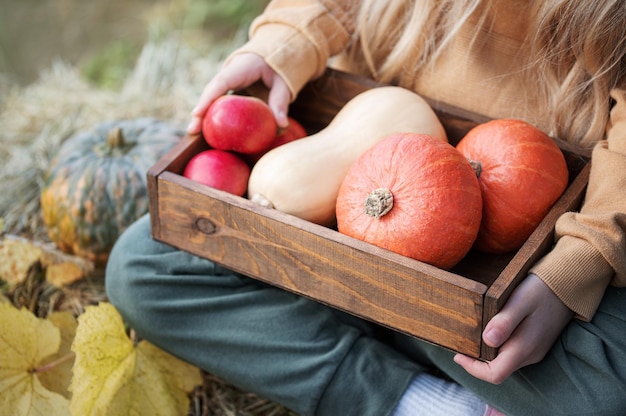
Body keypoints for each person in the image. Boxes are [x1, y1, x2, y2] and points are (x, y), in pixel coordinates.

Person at [105, 1, 626, 415]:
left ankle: (339, 327)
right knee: (142, 266)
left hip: (535, 243)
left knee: (606, 394)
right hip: (349, 218)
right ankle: (420, 402)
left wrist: (582, 260)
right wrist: (283, 44)